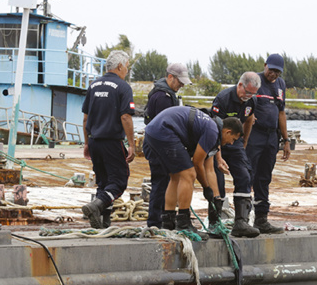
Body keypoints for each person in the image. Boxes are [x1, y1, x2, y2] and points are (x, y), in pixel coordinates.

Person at [143, 106, 243, 237]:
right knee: (189, 174)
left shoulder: (211, 129)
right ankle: (183, 222)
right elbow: (197, 163)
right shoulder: (212, 131)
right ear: (228, 132)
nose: (231, 143)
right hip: (164, 130)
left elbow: (209, 170)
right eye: (233, 139)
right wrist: (205, 187)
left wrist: (216, 198)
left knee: (175, 176)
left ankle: (168, 221)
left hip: (152, 131)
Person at [81, 50, 136, 229]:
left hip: (94, 141)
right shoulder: (123, 87)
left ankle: (103, 223)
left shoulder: (93, 86)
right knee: (119, 181)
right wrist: (132, 145)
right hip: (111, 141)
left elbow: (85, 119)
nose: (126, 70)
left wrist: (87, 143)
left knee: (104, 182)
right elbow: (126, 117)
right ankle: (96, 206)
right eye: (126, 67)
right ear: (119, 66)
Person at [210, 71, 261, 238]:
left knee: (245, 176)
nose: (248, 96)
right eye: (247, 92)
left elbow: (249, 118)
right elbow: (213, 129)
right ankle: (214, 223)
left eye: (252, 94)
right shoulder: (223, 99)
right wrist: (218, 157)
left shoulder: (251, 101)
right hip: (218, 141)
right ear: (240, 85)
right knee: (217, 182)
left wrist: (243, 143)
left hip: (235, 143)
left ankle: (241, 222)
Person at [142, 63, 192, 229]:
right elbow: (164, 127)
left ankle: (163, 219)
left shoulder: (166, 95)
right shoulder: (163, 97)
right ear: (170, 77)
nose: (181, 85)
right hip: (158, 147)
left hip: (157, 145)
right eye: (180, 82)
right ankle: (156, 222)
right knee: (160, 183)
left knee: (165, 182)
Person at [246, 53, 291, 234]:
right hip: (254, 135)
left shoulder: (280, 85)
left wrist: (286, 140)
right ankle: (242, 218)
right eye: (271, 70)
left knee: (264, 177)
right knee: (248, 174)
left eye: (277, 72)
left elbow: (281, 113)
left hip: (272, 136)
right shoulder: (254, 81)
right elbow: (243, 104)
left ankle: (261, 219)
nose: (273, 75)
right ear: (265, 66)